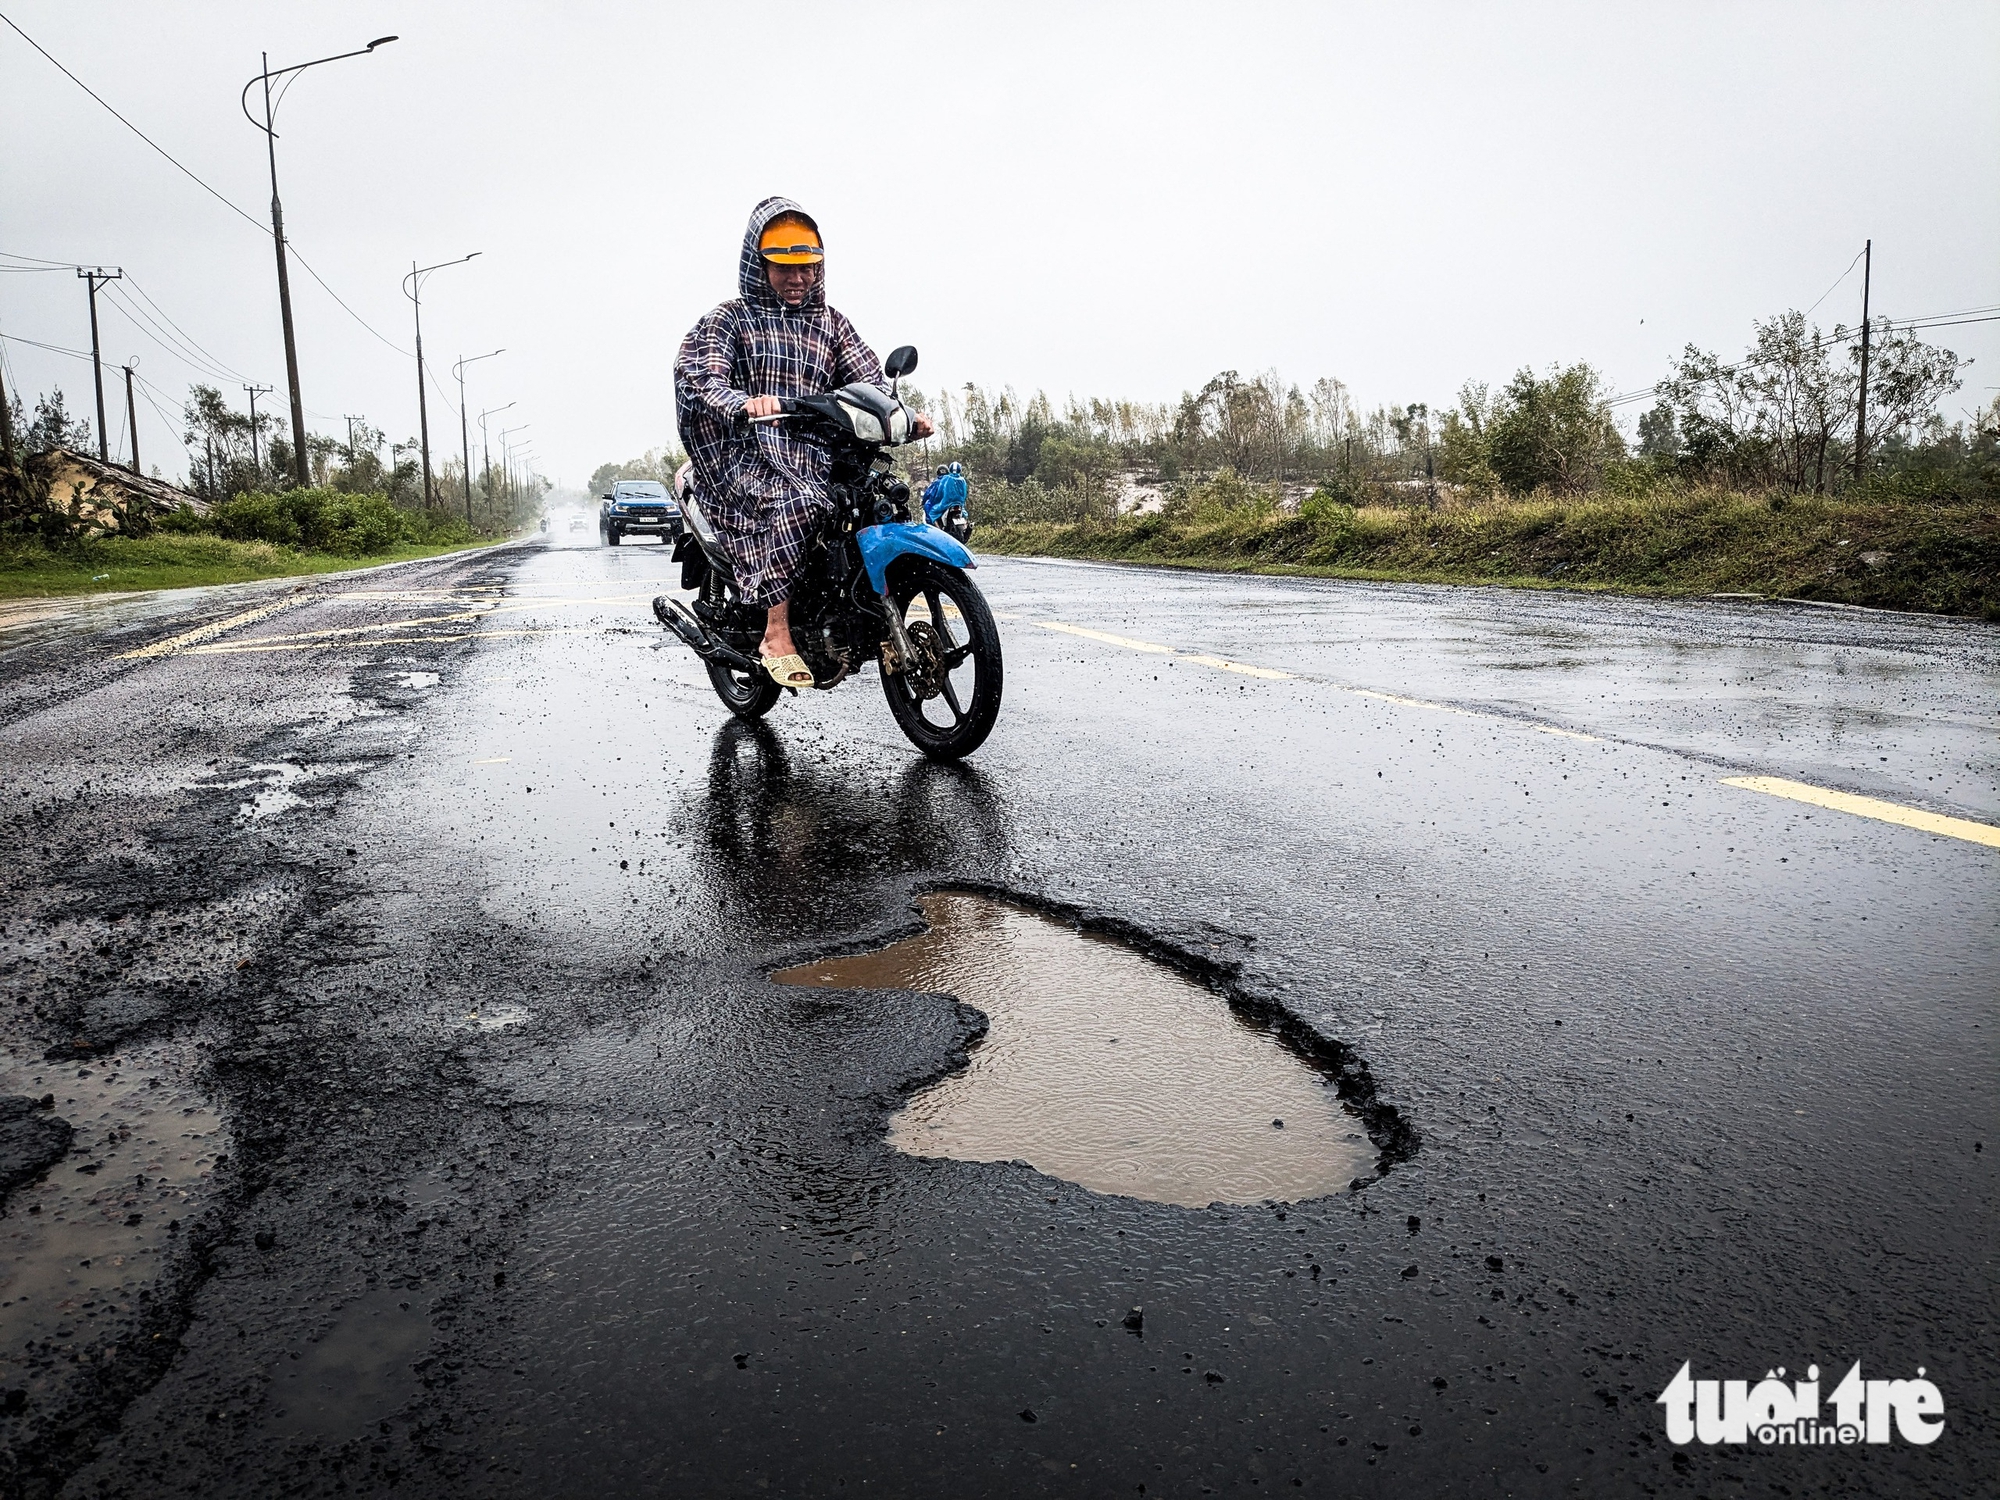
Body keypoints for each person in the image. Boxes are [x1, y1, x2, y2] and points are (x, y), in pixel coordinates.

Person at [673, 197, 932, 689]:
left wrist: (904, 414)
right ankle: (775, 632)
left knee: (874, 499)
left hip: (815, 451)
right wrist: (742, 403)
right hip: (744, 451)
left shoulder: (832, 323)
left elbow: (868, 382)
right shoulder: (728, 320)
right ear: (758, 264)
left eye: (807, 268)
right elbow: (700, 377)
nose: (797, 279)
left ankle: (856, 607)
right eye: (783, 268)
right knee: (800, 501)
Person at [921, 460, 969, 527]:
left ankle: (937, 530)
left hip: (946, 503)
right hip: (960, 504)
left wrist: (937, 500)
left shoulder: (946, 479)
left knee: (932, 513)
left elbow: (939, 493)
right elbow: (965, 493)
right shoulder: (963, 480)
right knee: (965, 515)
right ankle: (967, 526)